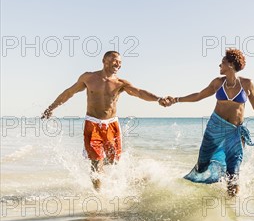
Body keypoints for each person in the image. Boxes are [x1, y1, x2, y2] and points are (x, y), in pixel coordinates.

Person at [41, 51, 168, 190]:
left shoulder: (121, 83)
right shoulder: (88, 78)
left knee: (113, 161)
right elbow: (69, 92)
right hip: (92, 123)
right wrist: (51, 108)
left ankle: (131, 178)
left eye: (120, 62)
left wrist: (158, 99)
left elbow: (139, 92)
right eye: (115, 60)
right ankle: (99, 197)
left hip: (111, 125)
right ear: (104, 60)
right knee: (95, 162)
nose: (118, 64)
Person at [163, 48, 254, 197]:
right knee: (202, 165)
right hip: (214, 128)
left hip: (234, 132)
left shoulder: (247, 84)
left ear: (231, 65)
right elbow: (199, 95)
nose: (219, 66)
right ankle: (195, 191)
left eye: (222, 63)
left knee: (233, 172)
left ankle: (231, 209)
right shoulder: (218, 83)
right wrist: (176, 99)